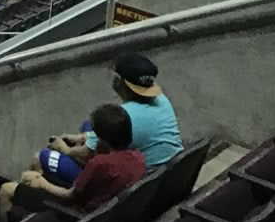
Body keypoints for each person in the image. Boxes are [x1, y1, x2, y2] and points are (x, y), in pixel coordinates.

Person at [0, 102, 145, 222]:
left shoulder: (100, 163)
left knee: (8, 189)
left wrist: (42, 184)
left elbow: (69, 196)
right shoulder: (139, 158)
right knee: (33, 175)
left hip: (76, 214)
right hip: (106, 211)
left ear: (105, 141)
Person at [49, 53, 183, 170]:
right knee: (89, 126)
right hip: (171, 171)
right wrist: (82, 137)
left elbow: (87, 155)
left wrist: (64, 149)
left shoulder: (124, 116)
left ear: (118, 81)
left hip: (143, 180)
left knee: (44, 157)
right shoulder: (162, 100)